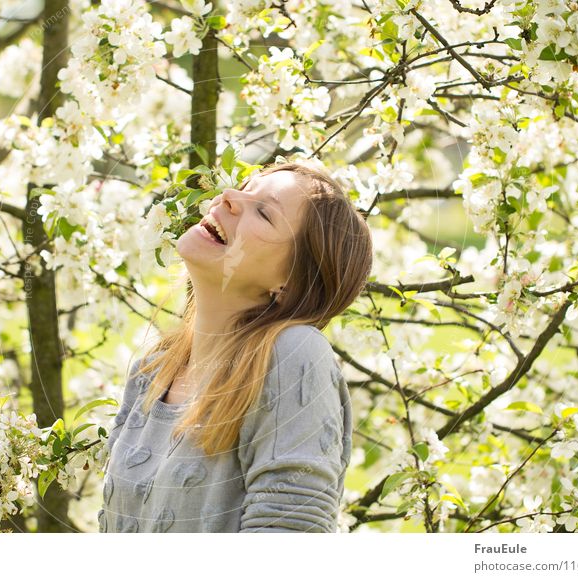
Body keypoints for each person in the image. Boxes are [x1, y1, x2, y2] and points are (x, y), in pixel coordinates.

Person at [97, 159, 374, 532]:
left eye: (264, 213)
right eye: (243, 186)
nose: (227, 197)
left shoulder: (295, 353)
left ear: (289, 282)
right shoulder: (152, 368)